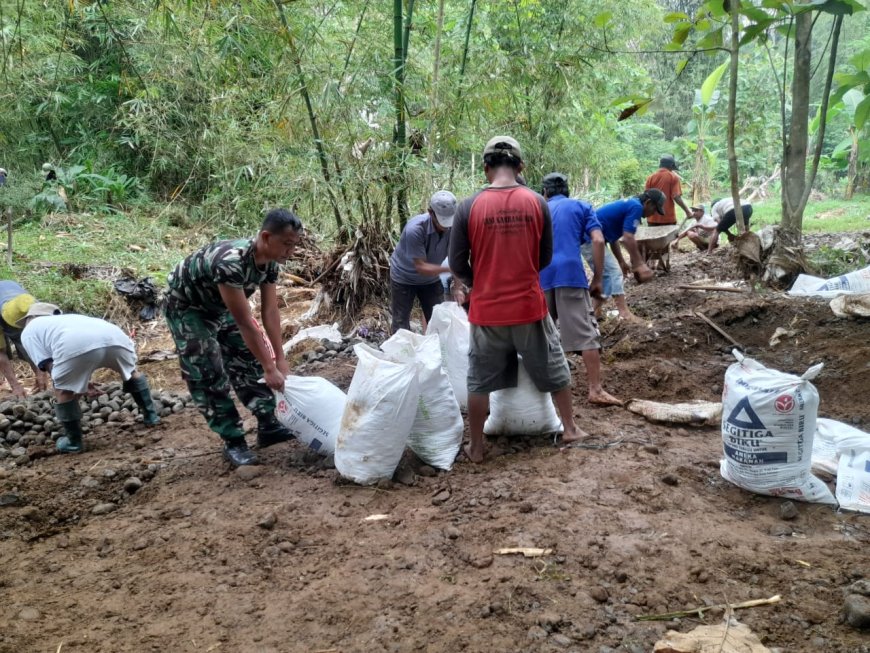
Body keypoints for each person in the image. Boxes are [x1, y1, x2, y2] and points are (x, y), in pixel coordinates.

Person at [449, 136, 584, 464]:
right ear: (520, 166)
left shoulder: (468, 206)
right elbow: (545, 256)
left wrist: (478, 282)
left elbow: (456, 262)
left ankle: (476, 447)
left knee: (479, 380)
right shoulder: (537, 202)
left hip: (486, 310)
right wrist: (523, 272)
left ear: (486, 168)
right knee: (553, 365)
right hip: (528, 307)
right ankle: (570, 428)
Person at [165, 208, 301, 467]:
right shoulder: (230, 262)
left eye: (294, 245)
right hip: (188, 308)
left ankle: (269, 424)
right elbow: (245, 322)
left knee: (247, 357)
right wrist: (270, 368)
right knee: (206, 369)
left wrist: (279, 358)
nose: (290, 251)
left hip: (220, 306)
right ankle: (233, 440)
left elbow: (270, 311)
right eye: (286, 244)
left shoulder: (270, 263)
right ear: (266, 237)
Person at [19, 303, 160, 453]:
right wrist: (82, 382)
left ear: (31, 317)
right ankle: (151, 416)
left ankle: (74, 443)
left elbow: (52, 368)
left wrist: (73, 386)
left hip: (76, 344)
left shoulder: (29, 330)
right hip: (116, 337)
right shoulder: (69, 320)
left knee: (62, 390)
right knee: (131, 372)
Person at [539, 173, 622, 407]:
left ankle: (542, 391)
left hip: (541, 275)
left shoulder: (538, 209)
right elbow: (598, 240)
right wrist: (598, 277)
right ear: (567, 191)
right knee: (586, 334)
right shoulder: (581, 207)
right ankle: (595, 389)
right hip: (570, 275)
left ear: (545, 192)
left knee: (541, 333)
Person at [588, 190, 664, 320]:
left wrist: (621, 261)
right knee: (613, 272)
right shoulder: (636, 207)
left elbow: (613, 239)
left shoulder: (631, 204)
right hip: (589, 239)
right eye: (655, 209)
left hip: (592, 238)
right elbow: (628, 237)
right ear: (648, 202)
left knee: (606, 276)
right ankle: (624, 313)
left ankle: (593, 312)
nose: (654, 213)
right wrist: (640, 264)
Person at [389, 191, 459, 333]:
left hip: (431, 280)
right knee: (400, 323)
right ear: (430, 212)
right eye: (442, 220)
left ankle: (439, 346)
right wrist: (449, 270)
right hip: (404, 278)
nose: (446, 226)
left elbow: (455, 257)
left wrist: (458, 286)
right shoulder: (415, 229)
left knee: (439, 320)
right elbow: (421, 267)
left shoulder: (453, 228)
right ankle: (400, 345)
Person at [0, 281, 48, 398]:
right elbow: (0, 353)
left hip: (10, 291)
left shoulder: (35, 307)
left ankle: (39, 378)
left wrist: (41, 371)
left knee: (25, 344)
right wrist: (15, 386)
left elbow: (39, 343)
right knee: (3, 349)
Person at [645, 155, 691, 226]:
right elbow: (676, 197)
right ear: (671, 165)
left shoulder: (650, 177)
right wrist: (687, 211)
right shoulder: (673, 177)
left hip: (651, 218)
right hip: (667, 218)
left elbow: (646, 197)